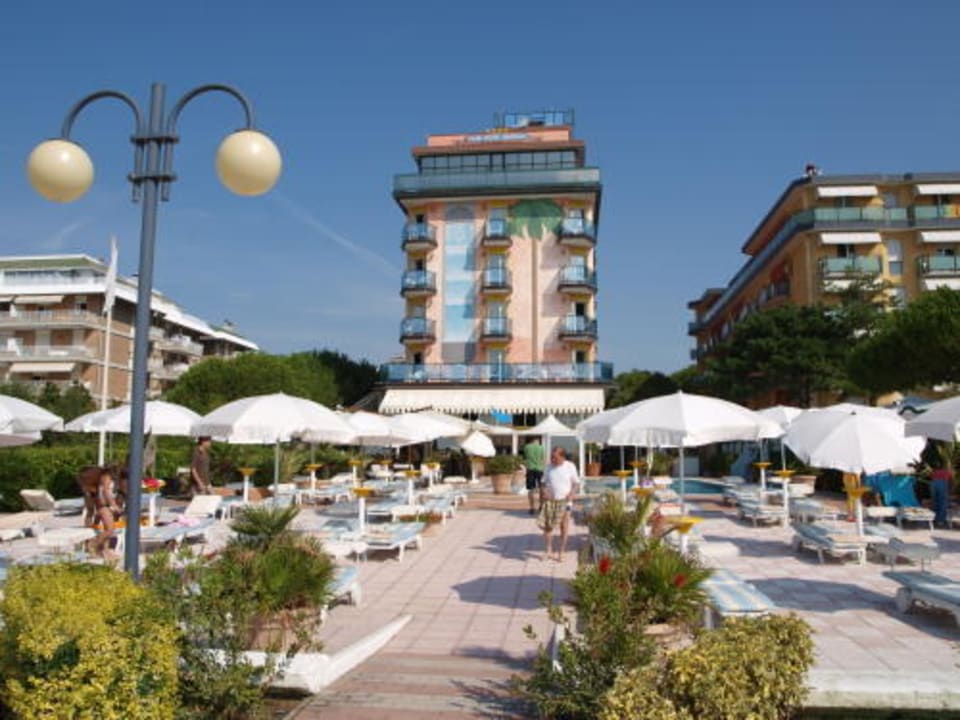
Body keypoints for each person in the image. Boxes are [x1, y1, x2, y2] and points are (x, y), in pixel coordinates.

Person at [538, 446, 579, 561]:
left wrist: (572, 493)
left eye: (555, 457)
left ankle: (561, 552)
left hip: (565, 502)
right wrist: (544, 492)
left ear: (562, 457)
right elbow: (543, 483)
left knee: (563, 526)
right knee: (548, 527)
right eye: (551, 457)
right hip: (550, 501)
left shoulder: (570, 466)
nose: (552, 460)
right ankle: (548, 551)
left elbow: (576, 483)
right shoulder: (548, 467)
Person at [92, 467, 122, 558]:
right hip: (104, 507)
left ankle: (103, 550)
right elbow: (106, 492)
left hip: (104, 506)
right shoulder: (106, 478)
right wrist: (114, 505)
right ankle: (93, 545)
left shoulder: (106, 478)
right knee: (109, 530)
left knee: (110, 530)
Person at [522, 436, 545, 515]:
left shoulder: (527, 447)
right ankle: (541, 506)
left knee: (531, 489)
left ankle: (532, 508)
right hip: (540, 469)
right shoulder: (541, 448)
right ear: (537, 440)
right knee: (542, 489)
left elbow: (525, 458)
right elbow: (543, 459)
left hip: (530, 469)